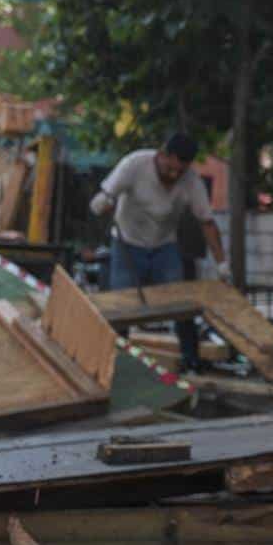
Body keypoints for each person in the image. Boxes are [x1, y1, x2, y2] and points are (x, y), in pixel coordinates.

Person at [90, 133, 228, 371]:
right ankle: (115, 362)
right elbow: (107, 194)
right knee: (122, 306)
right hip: (127, 244)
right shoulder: (134, 165)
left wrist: (222, 263)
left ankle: (191, 358)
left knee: (180, 306)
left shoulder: (191, 182)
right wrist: (101, 201)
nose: (174, 176)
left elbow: (207, 222)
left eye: (180, 172)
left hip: (165, 247)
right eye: (169, 169)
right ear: (162, 154)